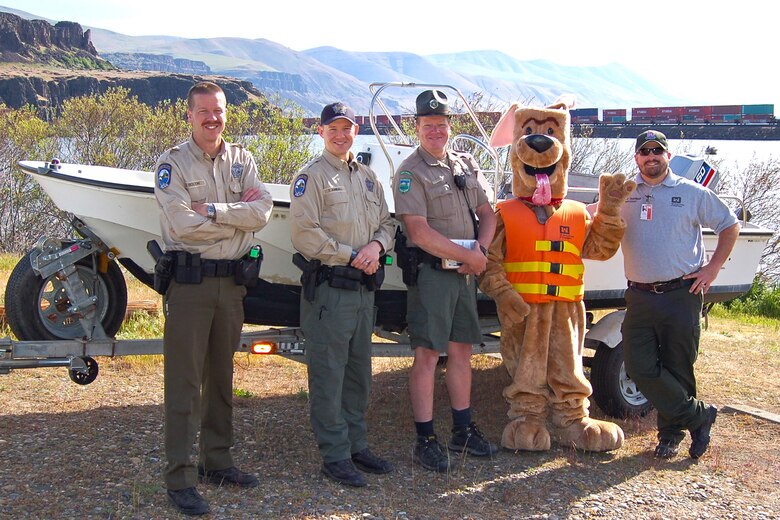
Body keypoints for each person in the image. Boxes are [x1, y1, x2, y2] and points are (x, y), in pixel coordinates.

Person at [154, 81, 273, 515]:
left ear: (226, 114)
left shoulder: (242, 160)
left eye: (218, 111)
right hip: (190, 286)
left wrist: (216, 212)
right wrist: (236, 222)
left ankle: (217, 462)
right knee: (184, 384)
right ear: (189, 115)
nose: (211, 118)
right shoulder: (172, 163)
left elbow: (262, 211)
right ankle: (180, 478)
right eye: (203, 111)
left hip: (232, 286)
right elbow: (180, 225)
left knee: (222, 380)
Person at [392, 89, 499, 472]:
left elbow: (488, 213)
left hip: (466, 273)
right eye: (427, 125)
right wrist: (468, 256)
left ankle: (462, 429)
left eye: (441, 125)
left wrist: (481, 251)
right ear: (417, 127)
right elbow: (418, 233)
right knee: (426, 355)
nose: (435, 131)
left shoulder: (466, 164)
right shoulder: (410, 173)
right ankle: (425, 439)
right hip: (433, 275)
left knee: (462, 351)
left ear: (450, 127)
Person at [290, 102, 395, 487]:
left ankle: (356, 445)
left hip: (364, 292)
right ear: (321, 132)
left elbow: (387, 223)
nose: (340, 134)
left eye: (347, 128)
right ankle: (334, 455)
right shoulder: (311, 177)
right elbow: (304, 234)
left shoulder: (368, 177)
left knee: (358, 374)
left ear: (356, 130)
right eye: (333, 128)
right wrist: (351, 254)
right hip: (330, 292)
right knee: (329, 374)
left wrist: (376, 249)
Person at [620, 129, 739, 460]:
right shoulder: (626, 192)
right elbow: (594, 212)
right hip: (639, 296)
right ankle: (701, 416)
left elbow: (729, 225)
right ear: (637, 158)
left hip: (680, 293)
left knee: (677, 365)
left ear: (668, 156)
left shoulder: (692, 193)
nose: (651, 156)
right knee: (638, 365)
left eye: (658, 150)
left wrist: (712, 268)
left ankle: (670, 435)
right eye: (645, 151)